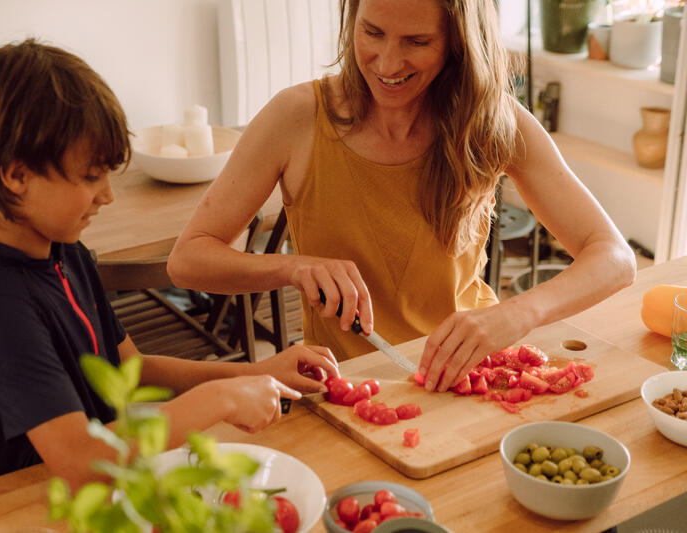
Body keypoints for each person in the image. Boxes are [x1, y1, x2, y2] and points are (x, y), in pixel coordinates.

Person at [167, 0, 635, 394]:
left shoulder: (494, 120)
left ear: (457, 43)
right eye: (371, 32)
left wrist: (517, 314)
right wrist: (294, 266)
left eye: (417, 42)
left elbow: (614, 258)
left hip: (476, 378)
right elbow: (188, 259)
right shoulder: (295, 117)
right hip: (350, 385)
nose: (388, 64)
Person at [0, 39, 338, 489]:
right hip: (33, 506)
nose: (107, 195)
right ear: (15, 176)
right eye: (91, 177)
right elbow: (79, 457)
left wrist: (256, 370)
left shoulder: (65, 254)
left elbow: (132, 368)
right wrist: (218, 399)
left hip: (106, 488)